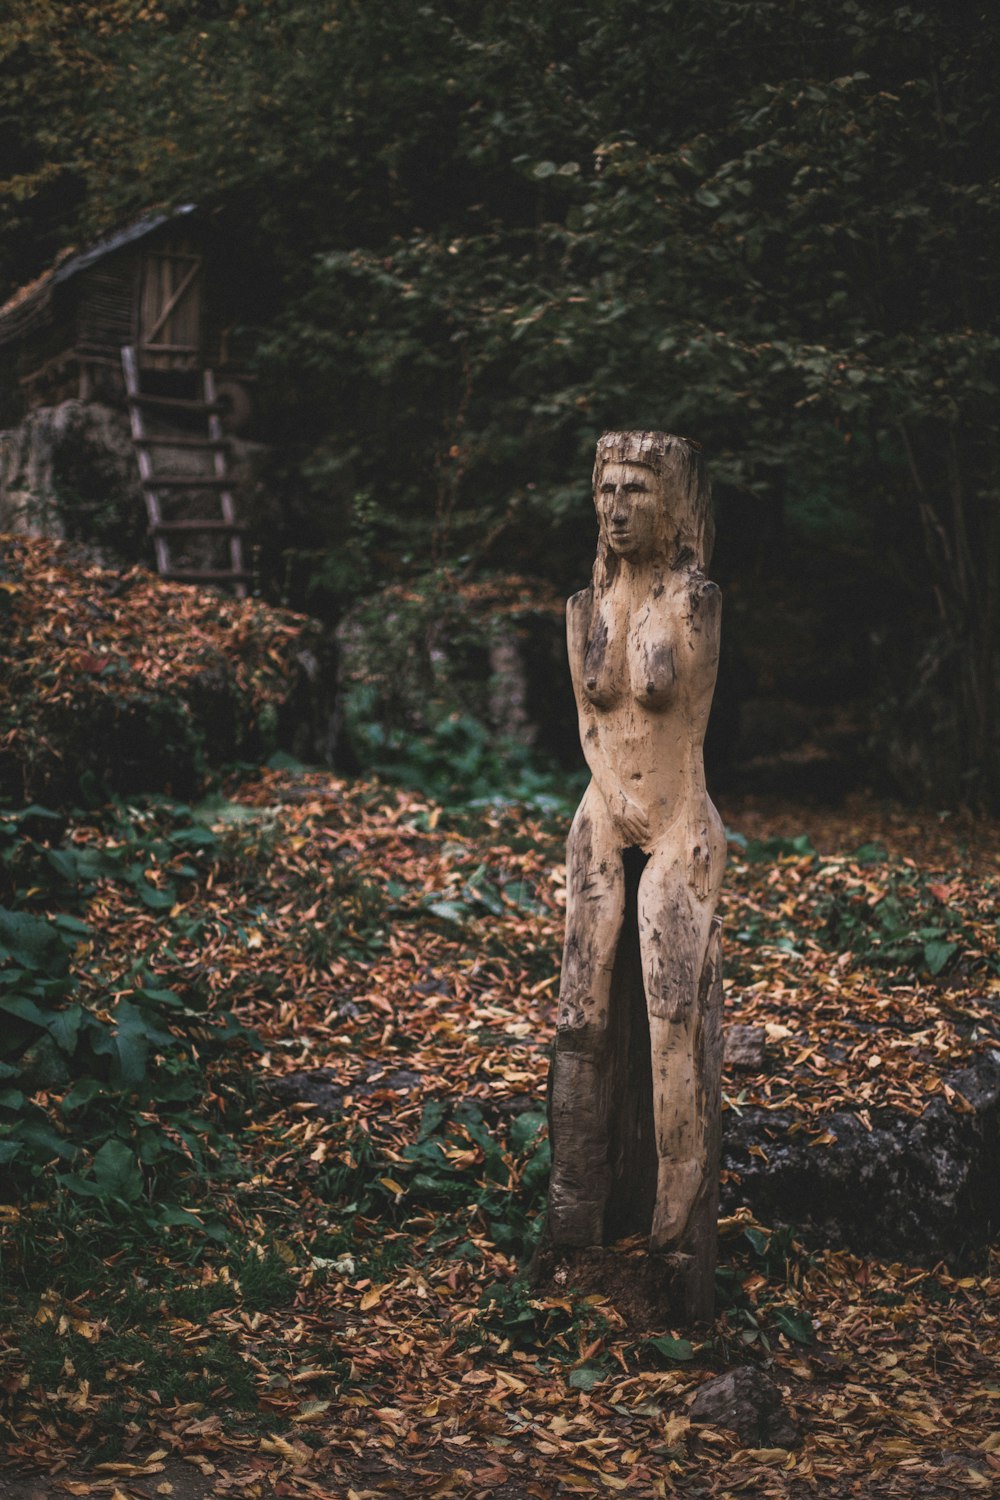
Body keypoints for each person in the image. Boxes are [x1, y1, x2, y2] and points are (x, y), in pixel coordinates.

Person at [547, 430, 725, 1252]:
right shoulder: (585, 608)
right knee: (578, 1015)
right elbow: (590, 728)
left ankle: (675, 1216)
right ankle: (572, 1207)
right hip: (601, 811)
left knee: (671, 1009)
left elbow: (687, 727)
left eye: (637, 491)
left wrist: (654, 829)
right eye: (607, 490)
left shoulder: (694, 602)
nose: (617, 508)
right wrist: (611, 811)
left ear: (673, 501)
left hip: (678, 815)